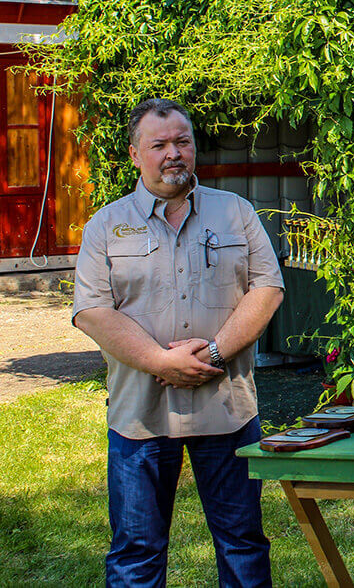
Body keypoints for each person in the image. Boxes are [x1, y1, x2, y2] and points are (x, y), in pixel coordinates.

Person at [73, 99, 284, 588]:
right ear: (135, 154)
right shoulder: (106, 225)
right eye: (160, 144)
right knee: (136, 552)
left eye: (182, 142)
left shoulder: (235, 212)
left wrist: (214, 352)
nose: (174, 153)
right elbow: (92, 311)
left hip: (226, 410)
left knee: (242, 543)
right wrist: (159, 361)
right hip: (141, 415)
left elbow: (267, 288)